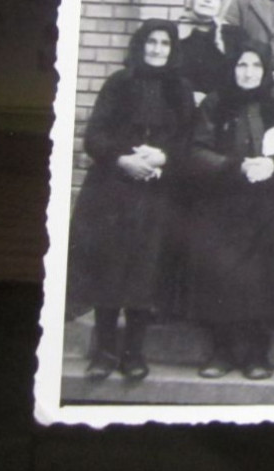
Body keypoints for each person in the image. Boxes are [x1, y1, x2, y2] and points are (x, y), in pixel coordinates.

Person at [67, 20, 192, 383]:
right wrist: (124, 160)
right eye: (150, 42)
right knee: (110, 266)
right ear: (140, 46)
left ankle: (134, 353)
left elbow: (188, 141)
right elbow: (95, 136)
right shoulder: (119, 83)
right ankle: (104, 353)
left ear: (172, 49)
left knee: (144, 270)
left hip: (156, 194)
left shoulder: (180, 89)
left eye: (164, 43)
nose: (156, 49)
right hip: (113, 191)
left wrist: (162, 157)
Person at [172, 43, 274, 381]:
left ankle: (258, 354)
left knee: (263, 279)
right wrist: (235, 167)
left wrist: (272, 164)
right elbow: (196, 150)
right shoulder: (216, 102)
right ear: (233, 68)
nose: (248, 72)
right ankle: (222, 351)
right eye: (242, 65)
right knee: (222, 277)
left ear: (265, 70)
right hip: (222, 202)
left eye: (256, 65)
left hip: (267, 204)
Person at [175, 0, 240, 106]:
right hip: (178, 105)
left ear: (223, 3)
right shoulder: (174, 31)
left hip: (218, 109)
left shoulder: (233, 36)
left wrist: (210, 100)